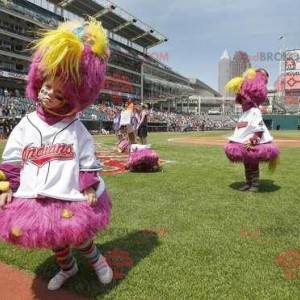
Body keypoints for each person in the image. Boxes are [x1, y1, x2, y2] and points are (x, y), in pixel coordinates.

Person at [0, 18, 113, 290]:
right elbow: (12, 160)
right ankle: (68, 268)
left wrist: (88, 185)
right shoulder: (26, 123)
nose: (48, 94)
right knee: (53, 237)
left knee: (78, 232)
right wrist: (6, 186)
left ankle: (97, 261)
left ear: (71, 97)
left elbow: (87, 159)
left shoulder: (76, 127)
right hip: (36, 193)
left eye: (57, 93)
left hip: (67, 190)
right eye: (46, 87)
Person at [224, 68, 279, 192]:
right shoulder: (244, 113)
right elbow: (241, 128)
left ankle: (255, 184)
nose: (242, 101)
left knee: (253, 164)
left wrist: (254, 140)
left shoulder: (254, 111)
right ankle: (248, 183)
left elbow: (259, 128)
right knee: (246, 164)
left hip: (252, 143)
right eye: (240, 99)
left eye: (243, 98)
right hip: (243, 143)